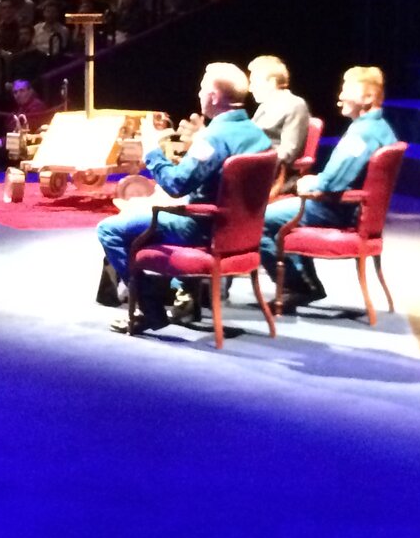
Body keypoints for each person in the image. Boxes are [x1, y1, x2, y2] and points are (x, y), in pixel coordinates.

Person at [96, 63, 270, 335]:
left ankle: (151, 309)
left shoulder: (214, 137)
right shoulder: (258, 135)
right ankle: (175, 294)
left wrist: (152, 150)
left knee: (109, 229)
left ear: (213, 96)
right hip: (243, 233)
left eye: (202, 88)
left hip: (201, 228)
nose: (198, 93)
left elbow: (176, 184)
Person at [261, 65, 397, 309]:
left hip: (338, 209)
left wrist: (312, 183)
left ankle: (299, 285)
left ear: (367, 98)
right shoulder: (381, 128)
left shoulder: (362, 134)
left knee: (259, 220)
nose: (340, 96)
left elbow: (333, 182)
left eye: (347, 90)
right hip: (352, 207)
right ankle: (304, 282)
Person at [246, 55, 312, 171]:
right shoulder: (264, 106)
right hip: (256, 167)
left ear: (271, 82)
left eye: (253, 82)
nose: (250, 89)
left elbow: (288, 153)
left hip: (272, 174)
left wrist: (249, 165)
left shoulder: (295, 104)